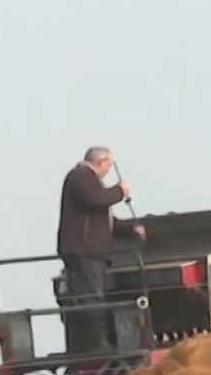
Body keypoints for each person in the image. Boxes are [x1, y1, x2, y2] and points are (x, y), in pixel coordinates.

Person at [56, 146, 147, 353]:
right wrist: (119, 191)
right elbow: (96, 200)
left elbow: (104, 220)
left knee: (94, 293)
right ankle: (96, 344)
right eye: (109, 164)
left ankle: (99, 341)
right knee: (91, 295)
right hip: (85, 250)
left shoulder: (89, 181)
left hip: (90, 249)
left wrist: (130, 229)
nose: (110, 169)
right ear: (101, 161)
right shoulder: (81, 176)